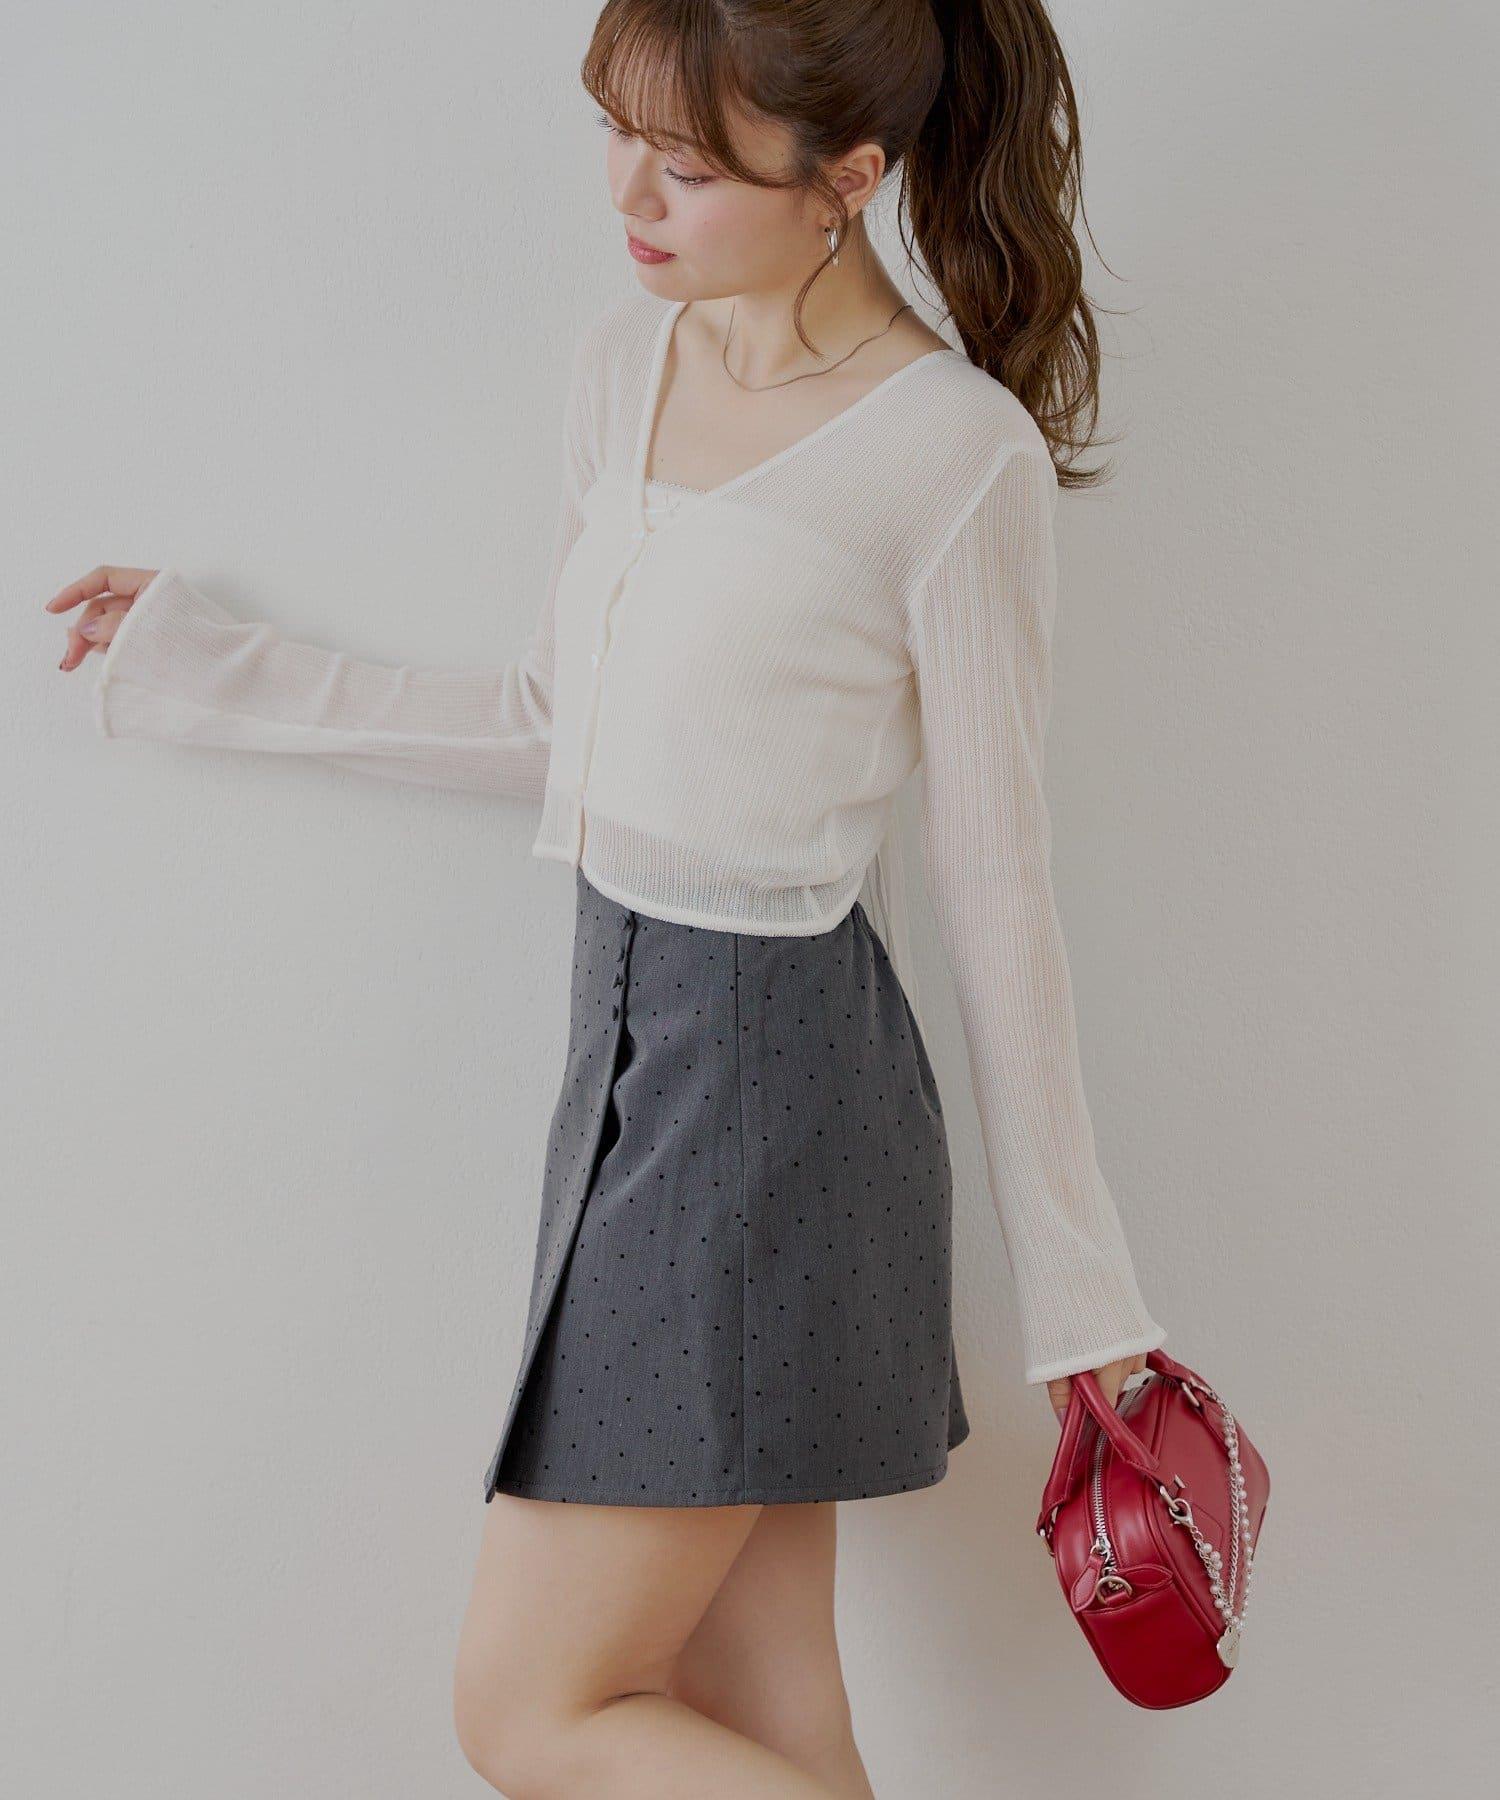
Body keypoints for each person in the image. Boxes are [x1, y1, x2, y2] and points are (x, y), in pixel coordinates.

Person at [45, 2, 1169, 1793]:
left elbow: (998, 886)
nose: (631, 197)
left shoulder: (952, 457)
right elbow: (561, 726)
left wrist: (1087, 1307)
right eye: (619, 137)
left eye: (692, 166)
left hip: (773, 1099)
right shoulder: (621, 369)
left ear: (846, 179)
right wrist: (204, 666)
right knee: (760, 1708)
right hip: (631, 1067)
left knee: (530, 1710)